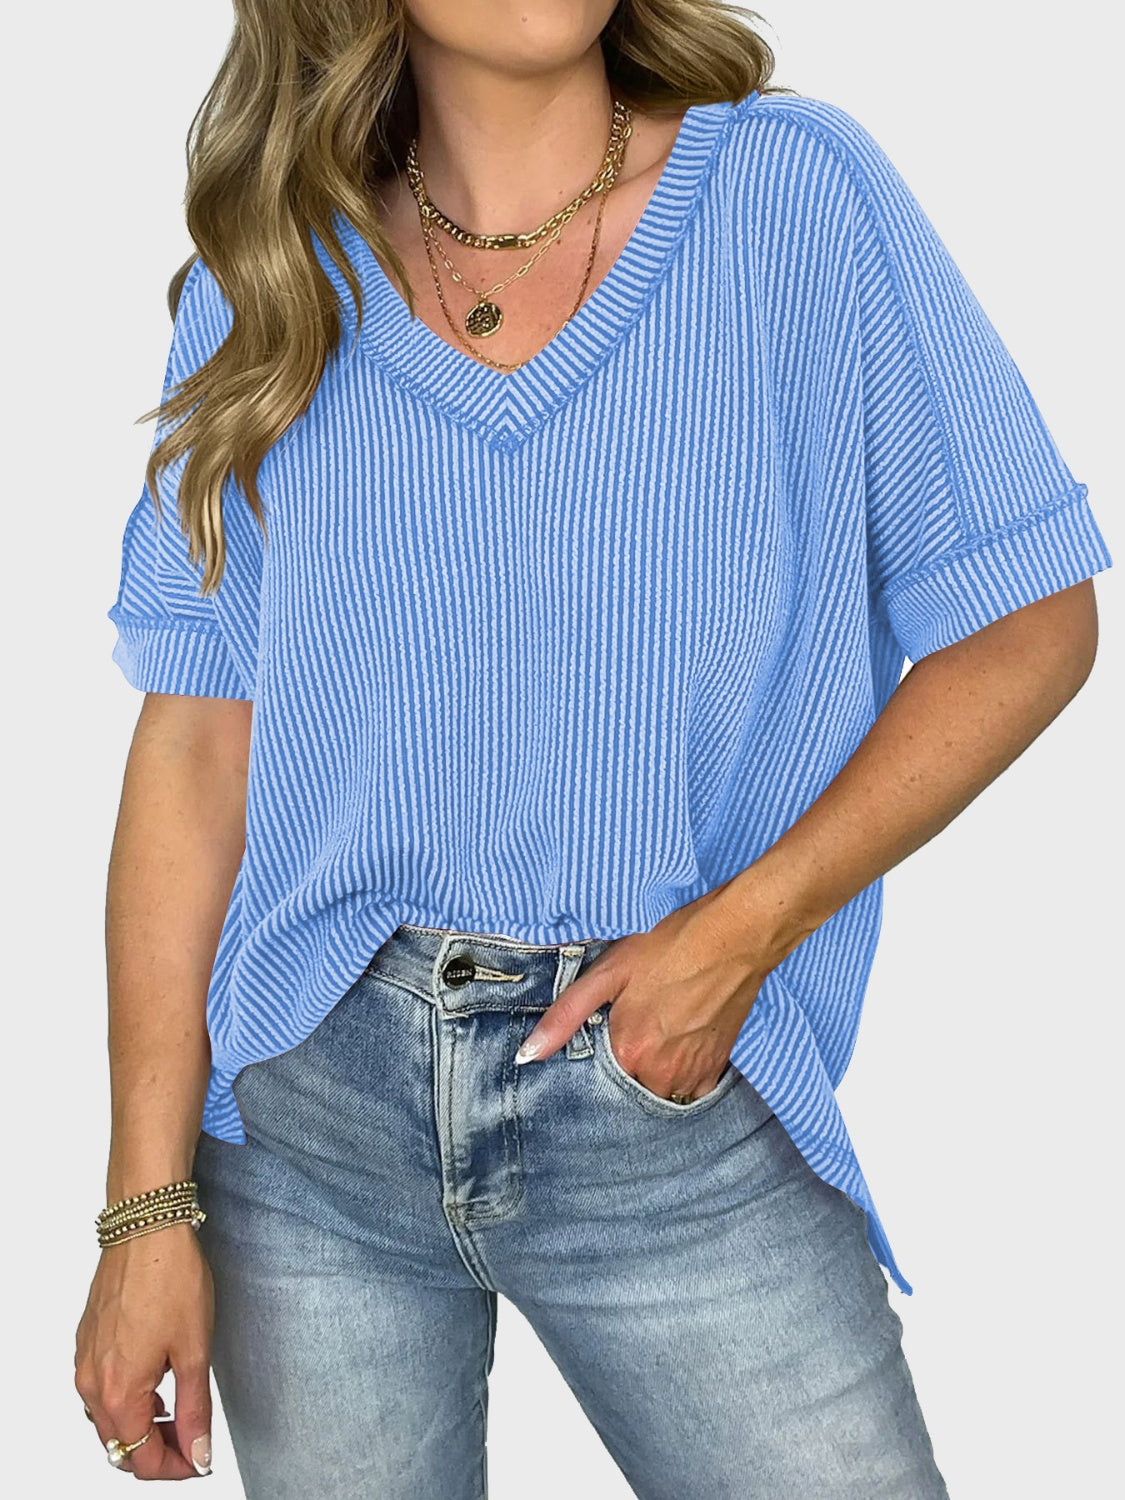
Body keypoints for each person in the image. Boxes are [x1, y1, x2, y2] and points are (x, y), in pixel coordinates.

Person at [74, 1, 1112, 1495]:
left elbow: (1028, 620)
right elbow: (193, 749)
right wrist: (143, 1209)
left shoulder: (794, 202)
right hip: (311, 1134)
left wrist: (736, 939)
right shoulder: (278, 276)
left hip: (666, 1096)